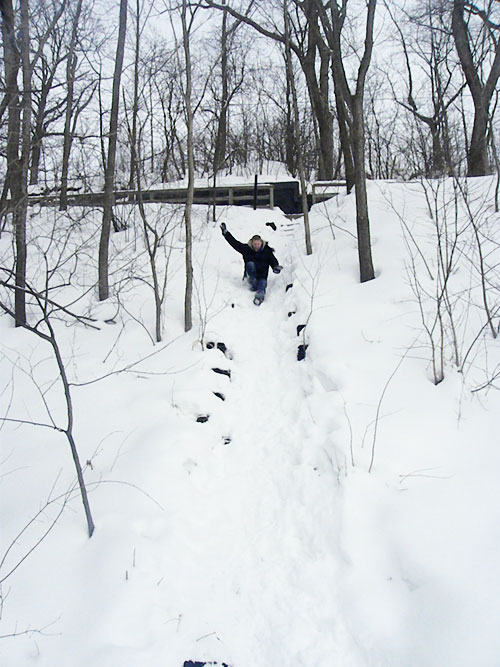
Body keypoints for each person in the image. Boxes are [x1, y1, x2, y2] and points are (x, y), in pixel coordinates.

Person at [220, 223, 282, 305]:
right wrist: (226, 233)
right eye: (255, 244)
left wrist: (275, 267)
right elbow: (235, 243)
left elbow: (273, 260)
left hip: (262, 276)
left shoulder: (267, 251)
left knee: (262, 285)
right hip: (251, 277)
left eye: (258, 244)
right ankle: (250, 281)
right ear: (252, 243)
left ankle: (258, 298)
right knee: (250, 264)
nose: (256, 246)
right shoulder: (246, 249)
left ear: (261, 243)